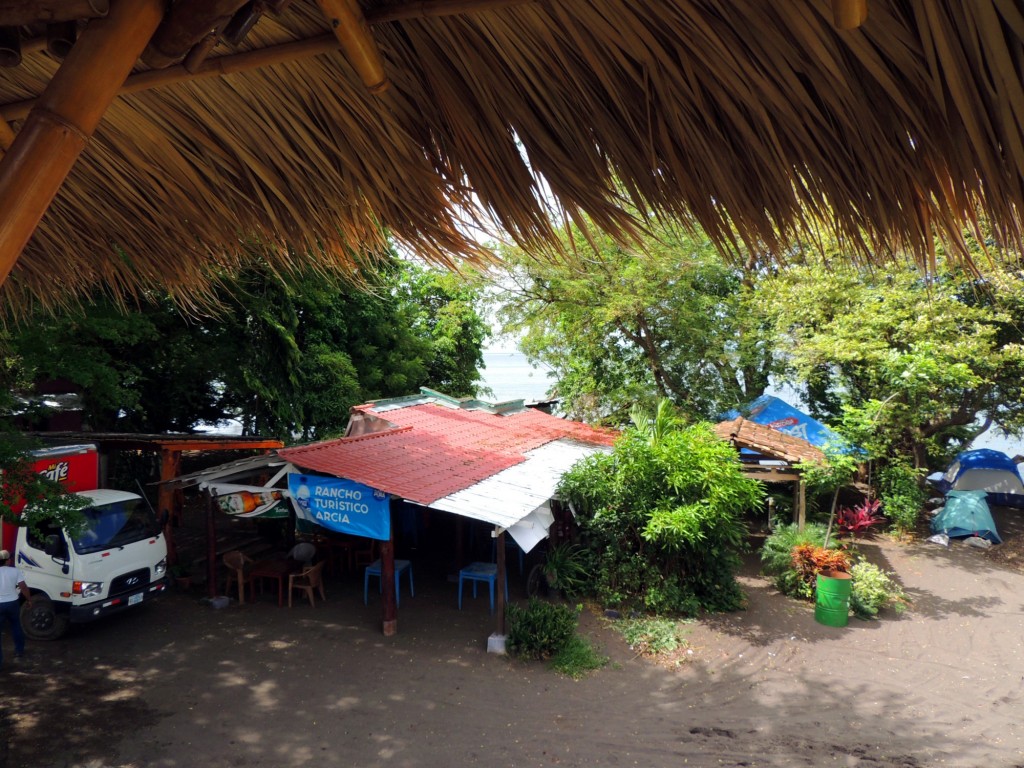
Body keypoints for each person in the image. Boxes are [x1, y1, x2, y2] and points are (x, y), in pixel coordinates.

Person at [0, 549, 31, 667]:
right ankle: (19, 651)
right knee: (16, 625)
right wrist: (29, 600)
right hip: (13, 603)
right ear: (7, 560)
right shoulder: (15, 571)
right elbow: (23, 587)